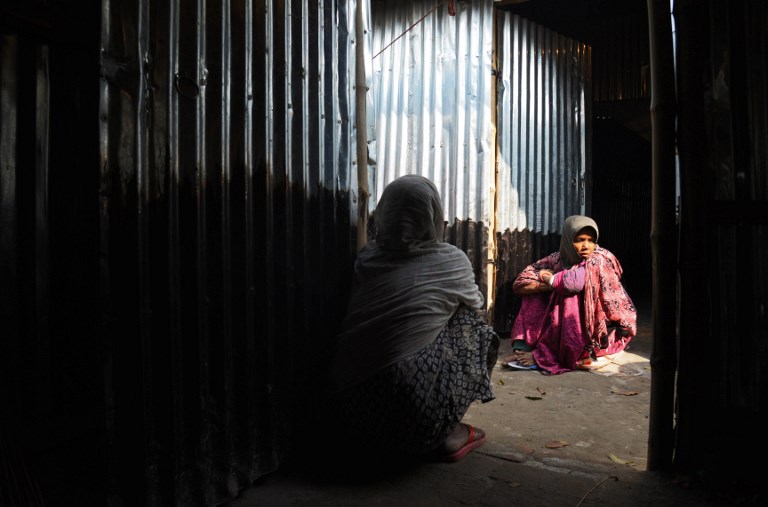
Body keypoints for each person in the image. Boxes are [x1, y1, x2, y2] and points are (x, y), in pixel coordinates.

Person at [328, 174, 498, 464]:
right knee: (474, 325)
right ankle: (444, 432)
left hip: (349, 416)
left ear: (385, 213)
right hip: (416, 427)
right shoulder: (451, 260)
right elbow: (476, 303)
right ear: (433, 215)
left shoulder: (367, 257)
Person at [503, 215, 637, 375]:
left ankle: (547, 355)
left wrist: (547, 277)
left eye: (591, 240)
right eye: (580, 240)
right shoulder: (558, 258)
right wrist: (544, 286)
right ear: (568, 239)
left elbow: (571, 284)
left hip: (601, 331)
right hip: (574, 321)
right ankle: (523, 349)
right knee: (535, 296)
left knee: (567, 297)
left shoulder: (599, 259)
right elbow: (521, 283)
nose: (586, 246)